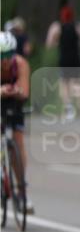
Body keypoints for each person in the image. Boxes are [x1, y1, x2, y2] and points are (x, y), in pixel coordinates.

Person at [1, 31, 33, 213]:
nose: (5, 60)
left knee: (18, 140)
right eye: (1, 56)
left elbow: (25, 92)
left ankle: (22, 191)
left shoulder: (20, 64)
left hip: (13, 101)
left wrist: (16, 91)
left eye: (8, 55)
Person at [46, 5, 80, 121]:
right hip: (76, 59)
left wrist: (57, 41)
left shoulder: (57, 27)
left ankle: (69, 107)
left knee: (64, 85)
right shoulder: (77, 26)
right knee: (77, 84)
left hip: (64, 59)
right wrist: (77, 44)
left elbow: (49, 44)